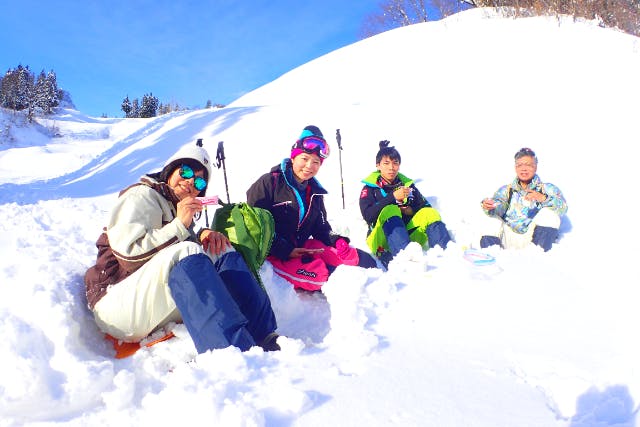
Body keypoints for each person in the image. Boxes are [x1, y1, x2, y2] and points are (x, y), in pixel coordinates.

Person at [84, 140, 280, 354]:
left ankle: (264, 334)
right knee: (187, 252)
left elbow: (184, 267)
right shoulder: (142, 195)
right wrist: (180, 226)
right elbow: (128, 256)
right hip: (115, 306)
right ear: (170, 170)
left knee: (219, 248)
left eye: (199, 183)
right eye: (186, 171)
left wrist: (200, 234)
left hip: (148, 303)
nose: (190, 182)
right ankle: (229, 351)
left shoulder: (174, 207)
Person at [246, 125, 378, 291]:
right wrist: (285, 250)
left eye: (316, 162)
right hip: (273, 254)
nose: (309, 166)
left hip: (301, 247)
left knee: (362, 260)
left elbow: (320, 227)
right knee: (323, 275)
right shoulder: (269, 183)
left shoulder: (314, 192)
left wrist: (335, 240)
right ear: (293, 157)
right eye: (305, 158)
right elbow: (254, 226)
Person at [359, 140, 452, 268]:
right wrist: (392, 197)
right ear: (378, 166)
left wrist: (410, 210)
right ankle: (406, 259)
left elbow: (425, 206)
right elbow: (368, 215)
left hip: (408, 237)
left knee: (429, 213)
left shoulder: (407, 186)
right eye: (386, 163)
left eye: (395, 163)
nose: (391, 167)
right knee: (390, 210)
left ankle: (445, 254)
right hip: (381, 240)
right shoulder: (370, 189)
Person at [479, 147, 568, 251]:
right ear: (515, 168)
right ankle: (492, 255)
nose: (524, 169)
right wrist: (490, 206)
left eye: (529, 165)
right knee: (491, 218)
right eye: (520, 165)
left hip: (533, 239)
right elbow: (499, 205)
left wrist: (543, 198)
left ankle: (537, 256)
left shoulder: (548, 188)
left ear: (535, 167)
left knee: (550, 215)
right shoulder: (506, 190)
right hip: (508, 238)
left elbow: (563, 209)